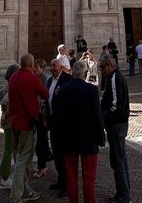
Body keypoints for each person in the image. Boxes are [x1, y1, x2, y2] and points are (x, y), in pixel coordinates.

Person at [54, 60, 105, 203]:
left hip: (68, 139)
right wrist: (101, 136)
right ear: (86, 73)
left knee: (71, 177)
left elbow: (58, 115)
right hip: (89, 139)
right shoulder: (92, 90)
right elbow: (97, 115)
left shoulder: (63, 90)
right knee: (89, 178)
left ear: (72, 72)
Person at [8, 53, 50, 203]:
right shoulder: (31, 78)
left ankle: (24, 190)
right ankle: (16, 196)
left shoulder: (13, 77)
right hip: (26, 124)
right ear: (31, 65)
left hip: (14, 124)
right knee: (22, 161)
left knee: (21, 159)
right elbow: (46, 94)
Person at [99, 55, 131, 203]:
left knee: (117, 161)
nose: (102, 71)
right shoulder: (115, 77)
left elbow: (115, 105)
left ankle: (123, 197)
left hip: (117, 124)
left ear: (110, 65)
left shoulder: (114, 78)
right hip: (119, 123)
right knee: (121, 158)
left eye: (103, 67)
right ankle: (125, 191)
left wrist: (104, 118)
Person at [46, 58, 73, 198]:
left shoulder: (68, 79)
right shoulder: (49, 80)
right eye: (51, 66)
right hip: (53, 124)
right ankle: (60, 180)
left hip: (64, 125)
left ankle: (67, 185)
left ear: (61, 67)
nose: (53, 68)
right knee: (57, 154)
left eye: (55, 66)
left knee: (64, 156)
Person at [0, 63, 20, 190]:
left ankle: (6, 175)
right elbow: (5, 101)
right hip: (10, 121)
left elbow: (0, 98)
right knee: (10, 149)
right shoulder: (11, 85)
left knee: (9, 149)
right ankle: (5, 178)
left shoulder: (5, 84)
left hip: (6, 120)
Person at [32, 59, 52, 179]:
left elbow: (46, 96)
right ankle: (42, 163)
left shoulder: (45, 80)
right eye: (34, 67)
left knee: (41, 141)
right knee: (39, 141)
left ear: (42, 69)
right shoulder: (35, 78)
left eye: (37, 68)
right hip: (37, 114)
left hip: (43, 115)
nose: (34, 70)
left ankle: (42, 165)